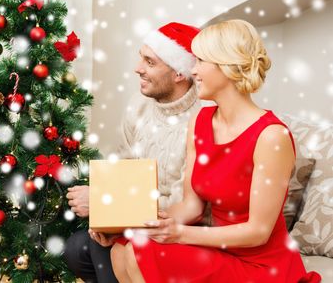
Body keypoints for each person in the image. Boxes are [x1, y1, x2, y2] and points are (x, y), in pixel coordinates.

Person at [101, 19, 321, 282]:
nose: (193, 71)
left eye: (201, 62)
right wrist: (126, 222)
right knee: (123, 245)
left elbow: (258, 232)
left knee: (141, 250)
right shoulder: (202, 121)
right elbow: (191, 206)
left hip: (261, 265)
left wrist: (179, 234)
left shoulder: (272, 136)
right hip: (219, 249)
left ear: (228, 68)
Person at [64, 22, 201, 282]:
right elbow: (123, 173)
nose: (138, 68)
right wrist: (109, 220)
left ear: (179, 73)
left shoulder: (201, 121)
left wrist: (110, 206)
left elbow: (187, 206)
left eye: (149, 62)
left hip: (176, 228)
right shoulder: (138, 106)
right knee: (77, 249)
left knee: (105, 250)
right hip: (138, 217)